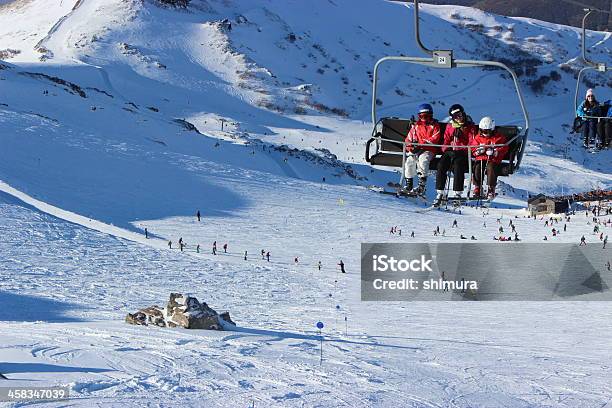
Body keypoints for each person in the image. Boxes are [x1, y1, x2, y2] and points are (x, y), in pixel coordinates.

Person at [434, 104, 476, 205]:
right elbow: (446, 140)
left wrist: (463, 147)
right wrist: (447, 149)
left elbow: (472, 143)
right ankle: (440, 192)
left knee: (458, 165)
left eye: (460, 115)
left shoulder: (469, 127)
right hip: (450, 152)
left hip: (463, 153)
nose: (459, 118)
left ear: (463, 114)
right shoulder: (450, 126)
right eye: (455, 116)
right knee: (441, 165)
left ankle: (457, 192)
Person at [403, 103, 442, 195]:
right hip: (417, 150)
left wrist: (421, 144)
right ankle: (409, 184)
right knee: (409, 161)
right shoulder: (416, 126)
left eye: (426, 116)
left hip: (429, 150)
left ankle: (422, 185)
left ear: (431, 116)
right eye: (421, 116)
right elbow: (408, 139)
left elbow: (435, 138)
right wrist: (411, 148)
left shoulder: (435, 126)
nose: (424, 119)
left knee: (423, 160)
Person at [471, 116, 509, 199]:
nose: (485, 133)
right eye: (483, 130)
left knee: (491, 168)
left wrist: (495, 151)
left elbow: (504, 147)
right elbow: (473, 147)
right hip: (481, 158)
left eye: (487, 131)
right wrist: (477, 151)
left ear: (492, 129)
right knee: (477, 167)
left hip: (493, 160)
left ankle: (491, 188)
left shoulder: (498, 137)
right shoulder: (478, 138)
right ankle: (477, 187)